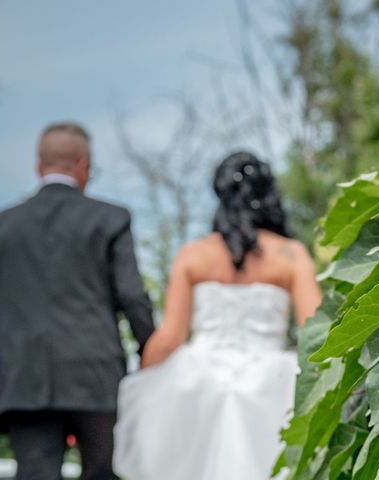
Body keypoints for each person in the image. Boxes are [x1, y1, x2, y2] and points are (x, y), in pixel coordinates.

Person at [113, 151, 321, 480]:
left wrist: (145, 383)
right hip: (271, 383)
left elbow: (170, 337)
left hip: (198, 381)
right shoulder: (290, 255)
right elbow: (314, 331)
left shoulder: (193, 255)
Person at [0, 122, 155, 480]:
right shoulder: (111, 219)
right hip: (96, 374)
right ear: (84, 164)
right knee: (102, 472)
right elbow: (132, 296)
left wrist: (15, 338)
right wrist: (151, 354)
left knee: (35, 474)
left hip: (25, 377)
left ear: (39, 166)